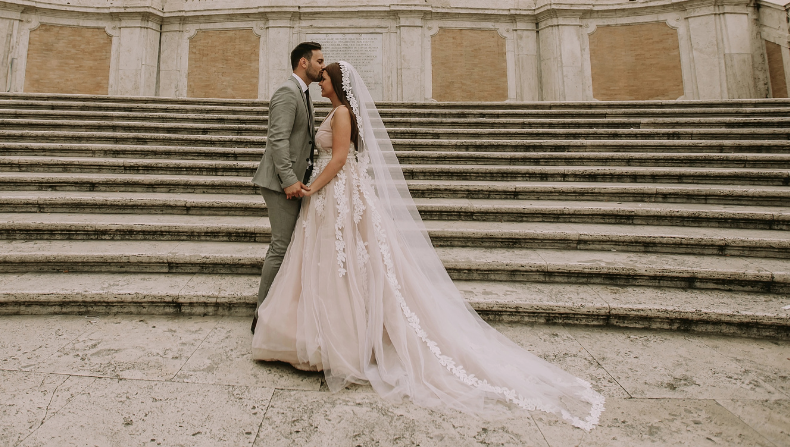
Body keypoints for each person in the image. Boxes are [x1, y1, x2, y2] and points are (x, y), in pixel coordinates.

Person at [252, 61, 604, 431]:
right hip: (334, 198)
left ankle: (338, 341)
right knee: (337, 266)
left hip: (336, 194)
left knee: (344, 265)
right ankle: (322, 335)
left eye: (323, 78)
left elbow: (339, 159)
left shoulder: (341, 113)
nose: (318, 82)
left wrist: (312, 187)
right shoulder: (339, 110)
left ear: (336, 83)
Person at [251, 42, 325, 334]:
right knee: (280, 247)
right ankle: (262, 315)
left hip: (295, 181)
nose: (323, 65)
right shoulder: (287, 92)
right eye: (319, 60)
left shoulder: (304, 94)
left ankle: (278, 311)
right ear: (303, 63)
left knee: (287, 247)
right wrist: (289, 181)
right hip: (280, 184)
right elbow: (277, 140)